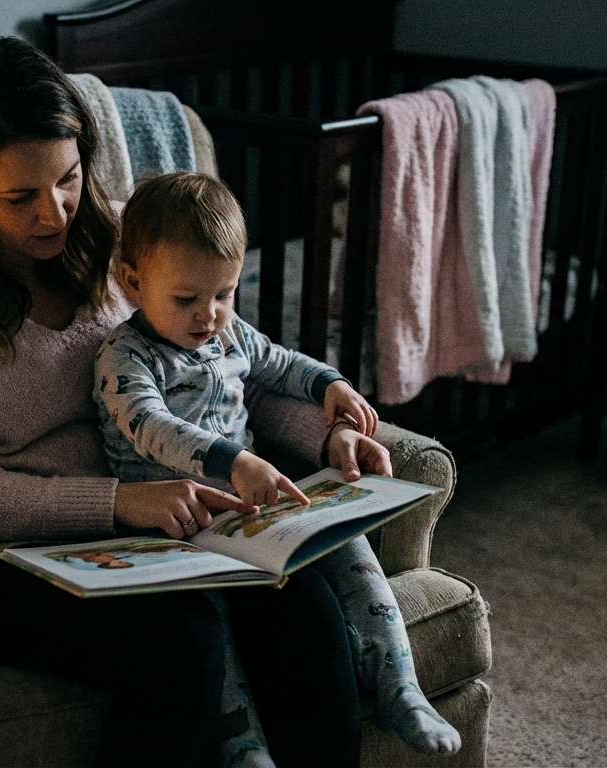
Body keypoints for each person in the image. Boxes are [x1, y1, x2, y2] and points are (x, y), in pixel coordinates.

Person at [0, 36, 391, 767]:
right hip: (6, 557)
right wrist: (114, 504)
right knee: (180, 640)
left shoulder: (123, 241)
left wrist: (327, 433)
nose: (55, 214)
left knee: (304, 608)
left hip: (167, 521)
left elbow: (229, 367)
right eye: (19, 196)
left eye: (68, 179)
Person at [94, 172, 462, 756]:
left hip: (251, 512)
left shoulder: (228, 334)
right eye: (186, 298)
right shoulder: (124, 355)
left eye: (224, 294)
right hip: (177, 524)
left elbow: (282, 363)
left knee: (351, 547)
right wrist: (235, 460)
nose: (209, 316)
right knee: (210, 629)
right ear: (132, 281)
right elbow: (151, 427)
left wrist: (331, 388)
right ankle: (243, 747)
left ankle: (400, 688)